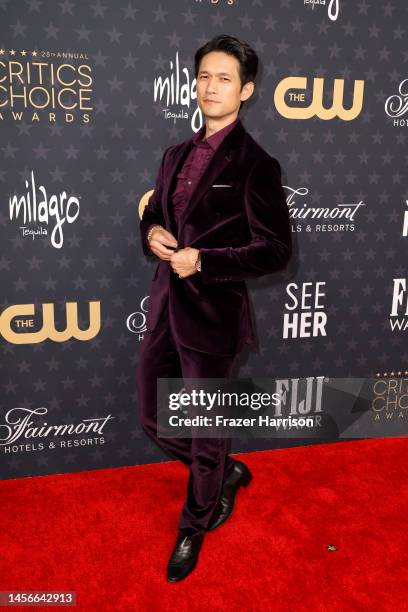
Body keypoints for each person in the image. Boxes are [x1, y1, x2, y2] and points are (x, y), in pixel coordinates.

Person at [136, 34, 292, 582]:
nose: (210, 87)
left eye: (224, 78)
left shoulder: (256, 163)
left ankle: (195, 523)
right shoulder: (174, 154)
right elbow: (155, 212)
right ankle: (223, 471)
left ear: (246, 90)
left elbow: (275, 249)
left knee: (205, 428)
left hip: (213, 317)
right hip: (164, 308)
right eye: (204, 76)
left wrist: (204, 261)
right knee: (153, 414)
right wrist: (151, 230)